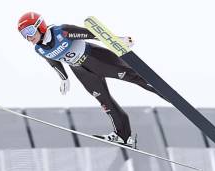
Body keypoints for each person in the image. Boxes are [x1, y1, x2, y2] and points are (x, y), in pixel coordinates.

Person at [18, 11, 167, 147]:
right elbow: (53, 62)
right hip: (82, 72)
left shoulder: (61, 31)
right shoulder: (39, 49)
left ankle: (167, 94)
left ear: (40, 26)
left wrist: (117, 39)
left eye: (29, 31)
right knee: (105, 102)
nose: (28, 37)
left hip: (97, 59)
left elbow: (92, 33)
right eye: (24, 35)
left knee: (135, 77)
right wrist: (64, 78)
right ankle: (123, 136)